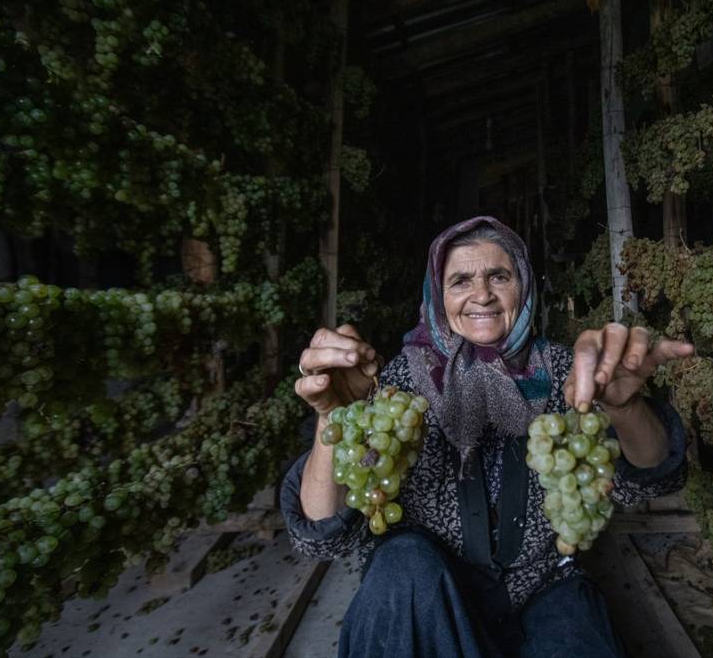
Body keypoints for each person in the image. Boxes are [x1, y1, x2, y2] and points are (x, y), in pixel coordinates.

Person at [281, 216, 692, 658]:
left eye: (499, 276)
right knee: (400, 566)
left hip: (543, 587)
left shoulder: (566, 372)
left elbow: (653, 479)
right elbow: (320, 538)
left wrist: (625, 407)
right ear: (438, 297)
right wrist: (333, 418)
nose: (481, 294)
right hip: (426, 592)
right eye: (460, 281)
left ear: (525, 286)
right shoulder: (394, 383)